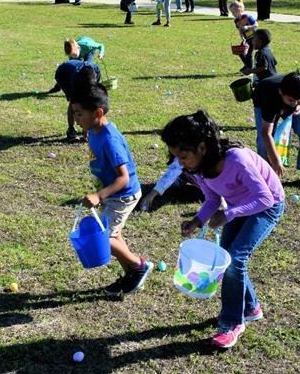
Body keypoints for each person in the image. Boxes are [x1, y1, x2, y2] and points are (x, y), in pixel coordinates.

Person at [161, 110, 286, 349]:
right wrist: (197, 220)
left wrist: (229, 214)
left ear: (202, 148)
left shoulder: (237, 160)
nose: (180, 163)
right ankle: (250, 307)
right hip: (239, 206)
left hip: (266, 206)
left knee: (236, 259)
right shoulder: (198, 170)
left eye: (183, 156)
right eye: (176, 156)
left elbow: (265, 199)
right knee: (228, 258)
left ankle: (232, 323)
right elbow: (212, 200)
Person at [70, 74, 152, 297]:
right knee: (114, 236)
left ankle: (138, 266)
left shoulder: (109, 139)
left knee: (106, 237)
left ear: (97, 113)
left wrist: (99, 195)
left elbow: (123, 177)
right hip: (112, 194)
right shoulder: (93, 130)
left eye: (79, 114)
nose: (76, 119)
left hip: (123, 194)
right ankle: (132, 274)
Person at [252, 71, 300, 182]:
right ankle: (265, 175)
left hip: (285, 97)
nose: (294, 103)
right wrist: (276, 160)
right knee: (263, 141)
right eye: (291, 100)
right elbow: (266, 133)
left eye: (297, 99)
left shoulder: (299, 87)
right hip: (262, 99)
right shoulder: (270, 98)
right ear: (281, 92)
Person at [46, 56, 100, 141]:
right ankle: (71, 130)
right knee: (74, 102)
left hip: (74, 72)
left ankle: (86, 129)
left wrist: (87, 129)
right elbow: (75, 102)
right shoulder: (76, 78)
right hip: (63, 74)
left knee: (87, 101)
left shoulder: (96, 70)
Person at [135, 158, 204, 213]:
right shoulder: (183, 156)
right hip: (185, 175)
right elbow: (174, 170)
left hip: (206, 184)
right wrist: (153, 193)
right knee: (165, 188)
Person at [230, 0, 257, 73]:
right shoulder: (236, 21)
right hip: (247, 38)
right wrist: (243, 39)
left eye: (233, 12)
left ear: (239, 10)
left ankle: (250, 69)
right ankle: (247, 65)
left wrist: (247, 27)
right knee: (240, 51)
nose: (232, 14)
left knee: (249, 54)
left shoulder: (247, 17)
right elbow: (240, 30)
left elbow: (256, 25)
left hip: (254, 37)